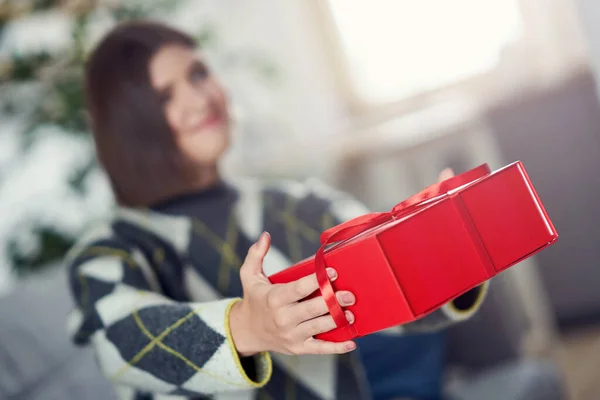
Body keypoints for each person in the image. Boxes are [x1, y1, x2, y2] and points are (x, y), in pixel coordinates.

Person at [65, 20, 491, 400]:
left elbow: (398, 295)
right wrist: (249, 327)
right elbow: (122, 342)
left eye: (198, 73)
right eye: (165, 96)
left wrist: (442, 246)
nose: (199, 99)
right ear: (130, 125)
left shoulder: (299, 205)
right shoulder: (107, 251)